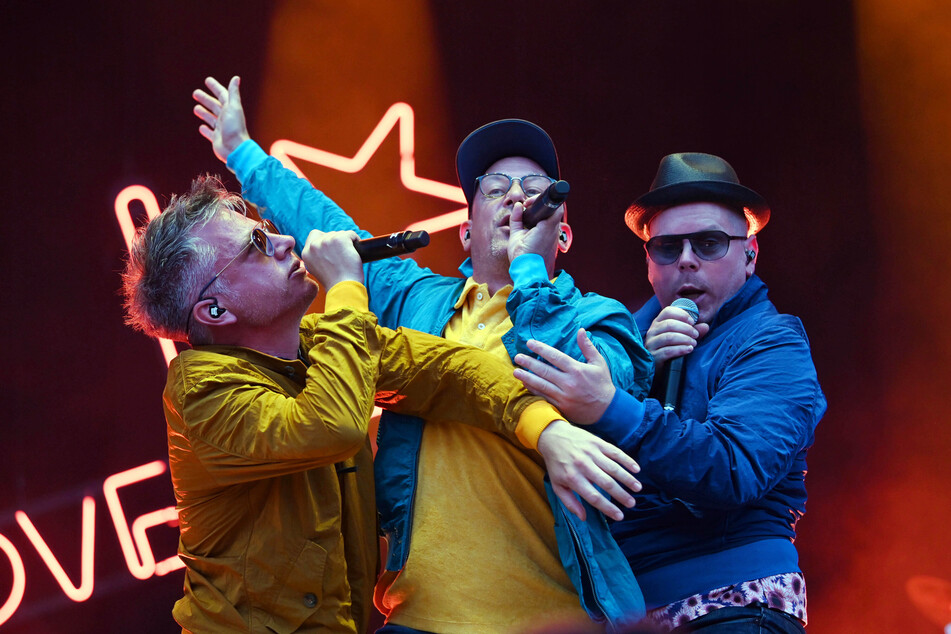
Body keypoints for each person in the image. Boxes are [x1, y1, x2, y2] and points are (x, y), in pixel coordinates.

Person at [191, 76, 653, 631]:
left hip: (552, 616)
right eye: (496, 188)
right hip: (421, 618)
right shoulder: (416, 300)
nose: (516, 197)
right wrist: (242, 152)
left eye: (534, 187)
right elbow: (332, 228)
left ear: (565, 235)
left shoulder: (598, 317)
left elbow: (598, 400)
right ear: (465, 231)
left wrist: (529, 271)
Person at [513, 153, 825, 633]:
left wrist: (613, 407)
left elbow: (733, 467)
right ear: (649, 261)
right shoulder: (624, 342)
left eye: (709, 243)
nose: (685, 259)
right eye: (666, 247)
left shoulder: (772, 340)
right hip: (632, 614)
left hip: (734, 610)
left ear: (750, 254)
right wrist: (642, 365)